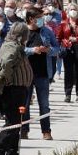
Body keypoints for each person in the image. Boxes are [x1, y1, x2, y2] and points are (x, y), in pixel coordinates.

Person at [0, 17, 33, 155]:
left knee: (17, 123)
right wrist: (7, 80)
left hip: (20, 89)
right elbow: (6, 63)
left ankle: (13, 153)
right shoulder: (12, 47)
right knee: (12, 122)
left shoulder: (15, 46)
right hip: (13, 90)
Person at [23, 8, 59, 140]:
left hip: (43, 73)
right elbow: (17, 49)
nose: (42, 19)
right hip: (25, 73)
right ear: (31, 18)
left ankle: (46, 131)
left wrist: (48, 50)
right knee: (25, 104)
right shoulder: (23, 31)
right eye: (39, 17)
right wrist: (33, 50)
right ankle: (24, 130)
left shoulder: (47, 32)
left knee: (44, 104)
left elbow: (57, 48)